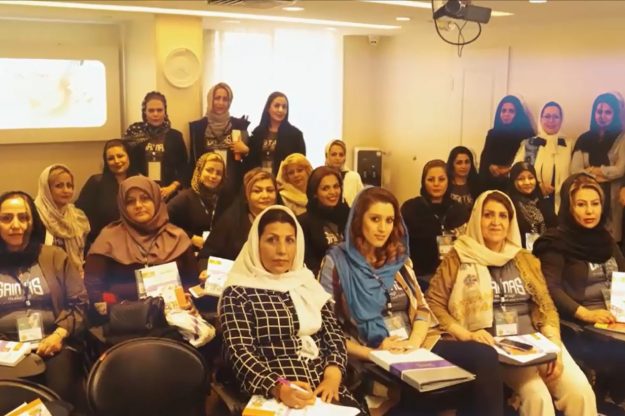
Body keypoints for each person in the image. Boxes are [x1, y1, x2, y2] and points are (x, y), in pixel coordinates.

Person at [319, 187, 503, 416]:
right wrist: (374, 352)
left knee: (485, 357)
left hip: (416, 345)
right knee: (421, 392)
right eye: (375, 219)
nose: (383, 228)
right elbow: (328, 331)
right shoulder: (336, 262)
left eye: (389, 220)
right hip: (371, 354)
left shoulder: (397, 258)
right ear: (358, 220)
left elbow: (422, 309)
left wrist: (413, 344)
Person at [426, 190, 596, 416]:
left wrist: (554, 347)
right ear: (476, 218)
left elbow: (545, 306)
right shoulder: (458, 256)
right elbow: (434, 304)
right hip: (496, 346)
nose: (496, 222)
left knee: (580, 392)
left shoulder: (524, 258)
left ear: (510, 221)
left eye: (503, 216)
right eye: (488, 215)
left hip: (537, 343)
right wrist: (466, 334)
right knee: (537, 397)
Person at [218, 206, 363, 412]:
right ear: (256, 244)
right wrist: (278, 387)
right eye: (271, 240)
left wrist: (333, 373)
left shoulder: (305, 283)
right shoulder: (238, 292)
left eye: (289, 240)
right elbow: (240, 353)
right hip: (271, 392)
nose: (282, 250)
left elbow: (333, 335)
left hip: (323, 388)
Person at [533, 173, 625, 407]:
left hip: (616, 320)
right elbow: (550, 289)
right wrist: (586, 314)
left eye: (595, 204)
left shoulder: (606, 239)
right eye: (581, 204)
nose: (589, 211)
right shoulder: (555, 242)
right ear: (569, 207)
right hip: (582, 325)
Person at [0, 191, 88, 404]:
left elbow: (80, 304)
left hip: (54, 343)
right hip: (5, 349)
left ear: (33, 222)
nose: (15, 225)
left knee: (59, 397)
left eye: (23, 217)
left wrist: (59, 335)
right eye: (6, 218)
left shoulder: (54, 256)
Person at [84, 176, 197, 309]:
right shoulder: (108, 238)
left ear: (156, 199)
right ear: (122, 206)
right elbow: (93, 288)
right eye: (130, 201)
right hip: (125, 315)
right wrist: (116, 305)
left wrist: (186, 299)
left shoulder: (177, 237)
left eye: (145, 198)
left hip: (175, 314)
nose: (138, 205)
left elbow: (192, 282)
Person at [401, 160, 469, 288]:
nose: (436, 184)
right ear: (423, 182)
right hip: (420, 278)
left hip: (454, 277)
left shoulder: (460, 210)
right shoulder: (410, 209)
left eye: (441, 179)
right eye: (431, 179)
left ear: (449, 181)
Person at [570, 92, 625, 243]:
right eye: (599, 111)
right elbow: (575, 170)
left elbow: (620, 169)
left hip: (613, 199)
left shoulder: (622, 138)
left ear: (615, 114)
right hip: (587, 196)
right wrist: (604, 175)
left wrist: (591, 171)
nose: (602, 116)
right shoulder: (584, 139)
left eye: (608, 112)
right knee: (587, 239)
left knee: (611, 241)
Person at [198, 168, 278, 267]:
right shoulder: (230, 221)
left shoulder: (285, 220)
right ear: (246, 195)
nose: (265, 195)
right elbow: (205, 257)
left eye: (270, 190)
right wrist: (204, 270)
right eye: (257, 191)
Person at [124, 91, 188, 200]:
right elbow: (129, 165)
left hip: (169, 194)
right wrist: (145, 183)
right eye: (151, 110)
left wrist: (172, 188)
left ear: (165, 112)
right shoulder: (135, 134)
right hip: (140, 191)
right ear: (145, 112)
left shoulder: (175, 136)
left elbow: (184, 167)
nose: (155, 114)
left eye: (159, 110)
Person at [189, 82, 250, 193]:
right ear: (210, 100)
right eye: (217, 98)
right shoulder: (197, 127)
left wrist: (246, 150)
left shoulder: (239, 125)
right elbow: (194, 161)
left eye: (225, 99)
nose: (221, 103)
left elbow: (250, 161)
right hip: (206, 187)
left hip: (233, 188)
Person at [76, 139, 137, 249]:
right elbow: (79, 214)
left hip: (135, 243)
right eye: (111, 158)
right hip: (104, 245)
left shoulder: (140, 182)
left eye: (120, 156)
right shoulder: (96, 182)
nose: (117, 161)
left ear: (129, 157)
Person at [167, 153, 234, 252]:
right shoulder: (184, 198)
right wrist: (191, 237)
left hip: (218, 255)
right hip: (189, 253)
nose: (213, 176)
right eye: (209, 170)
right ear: (199, 171)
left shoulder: (226, 199)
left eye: (219, 173)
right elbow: (164, 224)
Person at [514, 101, 572, 212]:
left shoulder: (570, 145)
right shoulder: (529, 144)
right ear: (541, 119)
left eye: (556, 117)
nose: (551, 120)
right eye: (547, 116)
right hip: (532, 202)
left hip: (563, 205)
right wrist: (537, 184)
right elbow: (515, 171)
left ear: (561, 120)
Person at [34, 164, 90, 273]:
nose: (66, 190)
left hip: (75, 274)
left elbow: (84, 252)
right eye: (59, 186)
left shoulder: (78, 216)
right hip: (43, 275)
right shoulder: (35, 216)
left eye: (69, 185)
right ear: (47, 188)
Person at [297, 166, 350, 276]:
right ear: (315, 193)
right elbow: (307, 263)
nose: (333, 192)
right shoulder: (303, 222)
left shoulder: (350, 216)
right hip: (320, 278)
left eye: (336, 186)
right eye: (325, 188)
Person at [479, 95, 535, 192]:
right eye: (503, 111)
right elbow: (485, 159)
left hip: (517, 185)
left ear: (518, 114)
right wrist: (491, 167)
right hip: (491, 184)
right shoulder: (492, 134)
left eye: (511, 111)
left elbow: (529, 163)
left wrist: (508, 170)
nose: (506, 114)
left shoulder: (527, 135)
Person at [245, 91, 306, 176]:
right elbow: (250, 163)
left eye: (284, 107)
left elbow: (301, 164)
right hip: (260, 181)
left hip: (284, 182)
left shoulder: (295, 135)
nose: (281, 110)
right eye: (277, 106)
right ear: (268, 108)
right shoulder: (258, 133)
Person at [507, 162, 556, 250]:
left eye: (531, 178)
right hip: (521, 252)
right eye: (521, 179)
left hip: (548, 249)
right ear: (513, 181)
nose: (527, 182)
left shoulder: (542, 201)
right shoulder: (509, 204)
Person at [325, 139, 364, 206]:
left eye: (341, 155)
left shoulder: (354, 177)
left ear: (345, 158)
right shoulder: (321, 177)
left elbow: (362, 201)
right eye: (334, 154)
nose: (337, 158)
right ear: (327, 156)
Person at [446, 146, 481, 211]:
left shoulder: (477, 185)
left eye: (467, 162)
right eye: (459, 163)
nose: (464, 166)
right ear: (452, 164)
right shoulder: (445, 184)